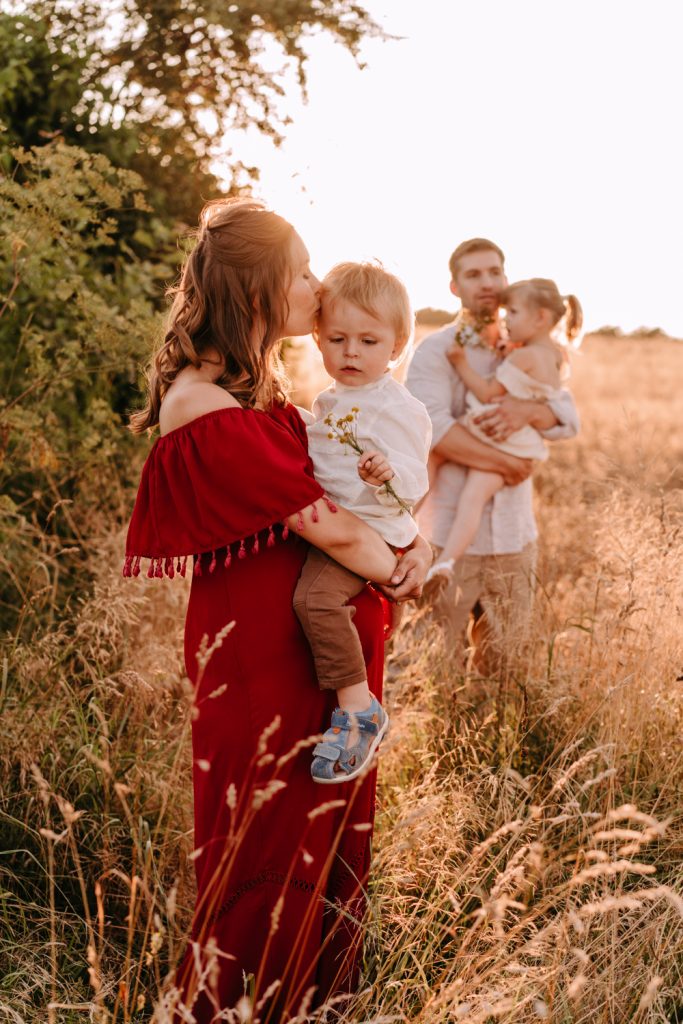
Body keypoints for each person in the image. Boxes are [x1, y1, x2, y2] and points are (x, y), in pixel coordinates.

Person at [123, 198, 431, 1021]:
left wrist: (415, 541)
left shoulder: (254, 387)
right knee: (264, 837)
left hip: (312, 655)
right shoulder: (200, 402)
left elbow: (368, 488)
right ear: (259, 287)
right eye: (299, 272)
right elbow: (325, 524)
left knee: (321, 835)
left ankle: (310, 1003)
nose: (315, 284)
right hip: (261, 661)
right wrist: (398, 564)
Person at [405, 239, 579, 667]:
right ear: (454, 286)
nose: (487, 283)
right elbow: (435, 434)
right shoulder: (436, 351)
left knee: (506, 669)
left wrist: (530, 409)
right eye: (473, 274)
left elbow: (567, 419)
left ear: (505, 279)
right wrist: (507, 462)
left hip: (513, 536)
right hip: (446, 534)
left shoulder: (525, 346)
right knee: (437, 668)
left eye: (494, 272)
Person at [293, 262, 431, 783]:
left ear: (396, 347)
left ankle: (358, 707)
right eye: (337, 338)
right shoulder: (333, 400)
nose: (351, 352)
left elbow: (416, 475)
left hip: (369, 530)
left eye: (369, 341)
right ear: (318, 339)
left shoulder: (396, 405)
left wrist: (386, 473)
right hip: (340, 523)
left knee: (315, 599)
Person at [426, 277, 582, 587]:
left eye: (512, 312)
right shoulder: (555, 354)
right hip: (519, 445)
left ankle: (404, 536)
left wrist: (460, 363)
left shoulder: (523, 356)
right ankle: (445, 564)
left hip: (494, 431)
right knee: (473, 498)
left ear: (540, 318)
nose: (505, 319)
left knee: (433, 456)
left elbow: (487, 393)